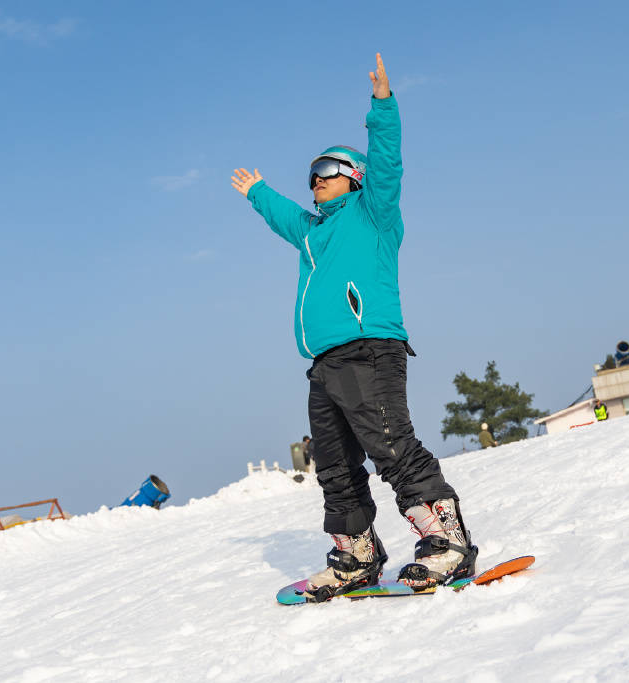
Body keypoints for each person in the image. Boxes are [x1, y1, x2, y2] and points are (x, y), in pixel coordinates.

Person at [231, 54, 476, 601]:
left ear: (353, 179)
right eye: (310, 176)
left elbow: (388, 163)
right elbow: (283, 216)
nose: (314, 183)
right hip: (324, 363)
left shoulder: (375, 213)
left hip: (369, 349)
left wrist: (382, 107)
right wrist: (257, 192)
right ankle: (355, 557)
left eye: (324, 173)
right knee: (335, 466)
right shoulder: (313, 232)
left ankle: (447, 545)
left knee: (391, 447)